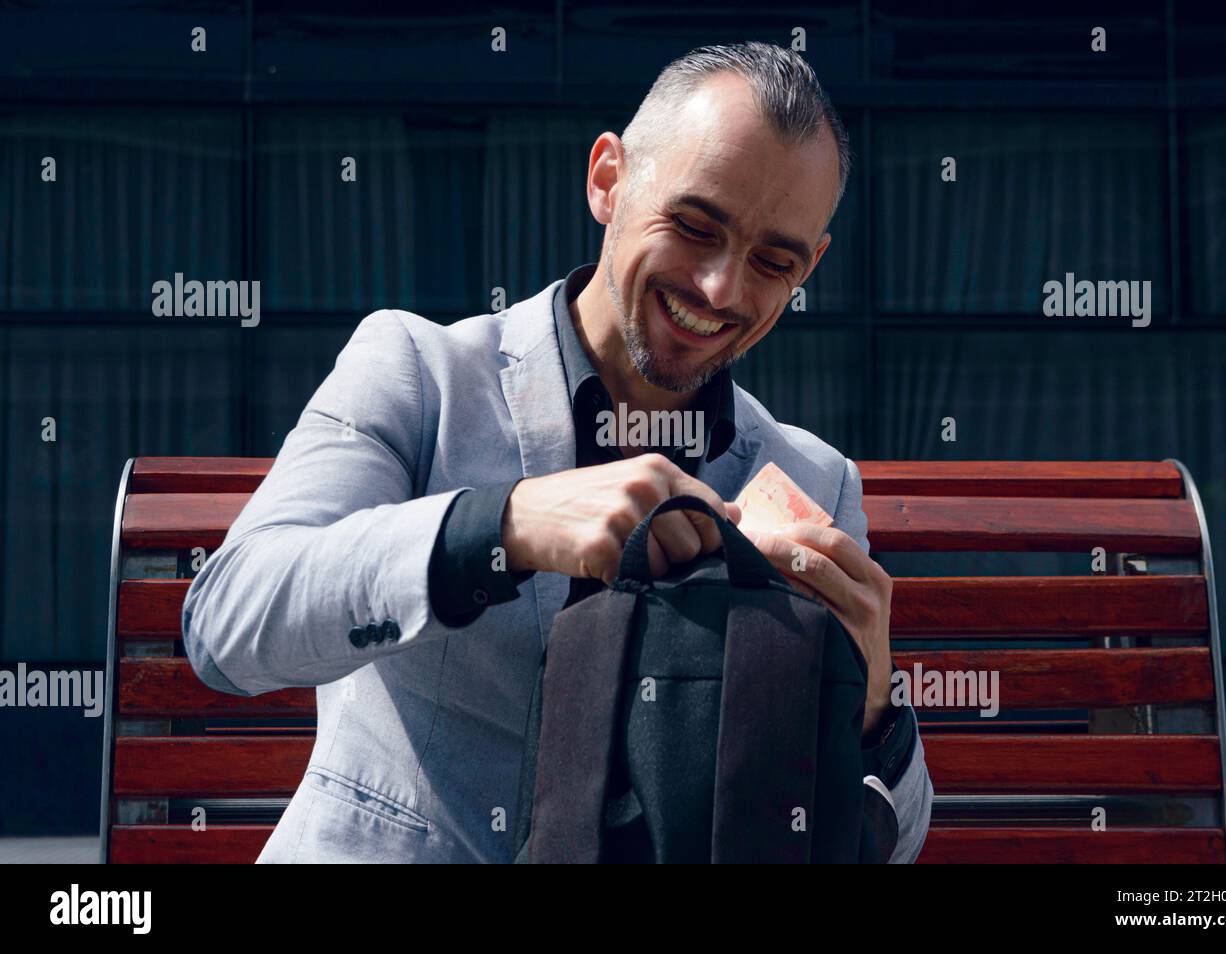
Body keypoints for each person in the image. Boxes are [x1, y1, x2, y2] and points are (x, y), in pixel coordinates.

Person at [183, 41, 933, 863]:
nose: (723, 289)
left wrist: (870, 714)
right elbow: (228, 623)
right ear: (608, 181)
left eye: (773, 261)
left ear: (810, 267)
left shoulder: (814, 479)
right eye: (693, 226)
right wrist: (499, 526)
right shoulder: (417, 372)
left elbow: (894, 838)